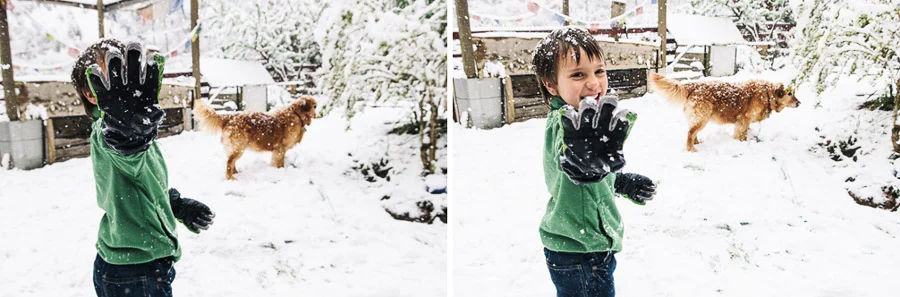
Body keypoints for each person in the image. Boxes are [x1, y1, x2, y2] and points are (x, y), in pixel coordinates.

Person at [71, 39, 216, 297]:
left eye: (125, 71)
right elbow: (125, 152)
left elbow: (138, 179)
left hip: (132, 266)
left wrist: (175, 204)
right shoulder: (111, 135)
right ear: (90, 93)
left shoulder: (135, 131)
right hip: (135, 272)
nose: (125, 83)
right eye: (111, 75)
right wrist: (127, 136)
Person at [532, 27, 658, 297]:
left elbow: (583, 181)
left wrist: (619, 182)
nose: (593, 83)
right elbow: (571, 165)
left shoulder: (581, 123)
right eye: (578, 74)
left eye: (599, 71)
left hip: (584, 248)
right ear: (551, 84)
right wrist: (586, 171)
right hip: (580, 254)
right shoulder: (567, 127)